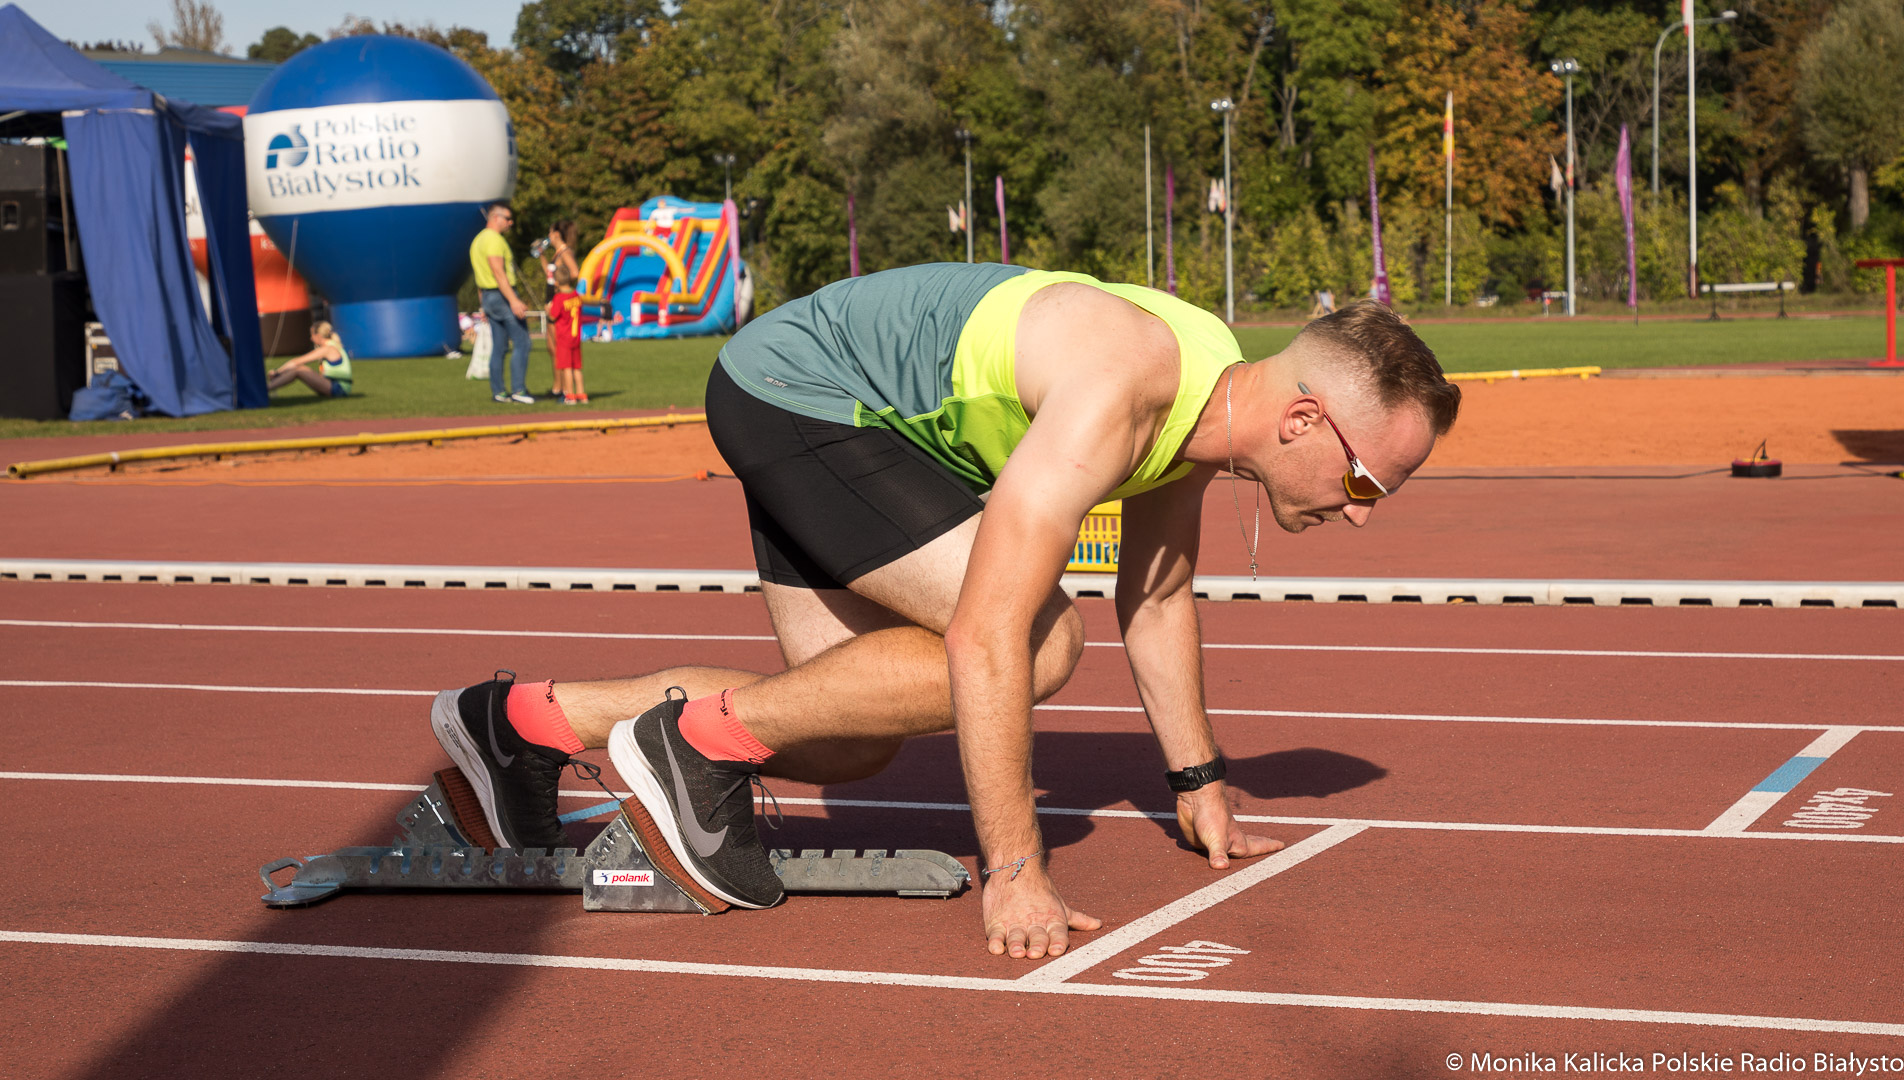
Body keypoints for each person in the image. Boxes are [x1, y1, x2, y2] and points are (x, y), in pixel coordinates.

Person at [429, 263, 1459, 959]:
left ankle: (521, 723)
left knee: (846, 738)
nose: (1360, 514)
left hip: (824, 397)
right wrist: (1014, 871)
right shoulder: (1127, 385)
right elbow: (986, 634)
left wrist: (1199, 785)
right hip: (806, 395)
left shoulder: (1211, 393)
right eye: (1367, 481)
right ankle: (691, 746)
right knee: (1041, 638)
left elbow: (1155, 594)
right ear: (1303, 419)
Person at [471, 201, 534, 404]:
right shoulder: (494, 240)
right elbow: (498, 272)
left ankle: (499, 392)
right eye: (507, 218)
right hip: (502, 295)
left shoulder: (478, 240)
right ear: (495, 218)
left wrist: (483, 305)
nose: (510, 222)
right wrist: (513, 300)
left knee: (499, 346)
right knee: (522, 342)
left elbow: (479, 277)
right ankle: (518, 390)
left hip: (488, 296)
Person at [542, 220, 581, 399]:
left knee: (559, 348)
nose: (549, 236)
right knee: (551, 347)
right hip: (551, 300)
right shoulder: (557, 253)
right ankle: (557, 387)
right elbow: (550, 274)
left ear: (557, 234)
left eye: (551, 233)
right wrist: (541, 256)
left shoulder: (565, 252)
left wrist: (561, 288)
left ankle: (565, 389)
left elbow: (574, 272)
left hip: (557, 303)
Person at [266, 322, 352, 398]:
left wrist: (277, 372)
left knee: (299, 370)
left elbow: (296, 362)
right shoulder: (334, 345)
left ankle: (266, 389)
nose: (311, 338)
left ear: (318, 336)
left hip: (338, 388)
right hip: (338, 386)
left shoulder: (328, 349)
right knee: (300, 369)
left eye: (312, 335)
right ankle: (269, 388)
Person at [546, 267, 587, 405]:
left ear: (556, 283)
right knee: (577, 367)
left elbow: (553, 316)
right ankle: (581, 394)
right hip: (576, 337)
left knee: (566, 367)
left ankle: (570, 395)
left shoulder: (559, 298)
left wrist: (549, 310)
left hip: (564, 337)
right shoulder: (576, 295)